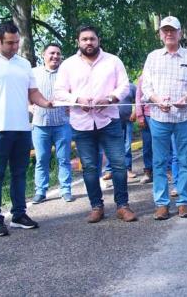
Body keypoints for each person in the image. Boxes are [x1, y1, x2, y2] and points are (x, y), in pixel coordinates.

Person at [0, 21, 52, 236]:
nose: (14, 47)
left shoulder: (23, 64)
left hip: (22, 128)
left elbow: (33, 93)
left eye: (17, 42)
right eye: (9, 43)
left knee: (19, 173)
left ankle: (18, 214)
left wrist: (47, 103)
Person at [54, 24, 137, 223]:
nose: (88, 42)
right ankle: (96, 207)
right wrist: (77, 100)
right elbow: (59, 92)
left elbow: (125, 85)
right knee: (90, 167)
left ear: (98, 40)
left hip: (109, 120)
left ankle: (122, 206)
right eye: (84, 39)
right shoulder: (68, 65)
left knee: (118, 164)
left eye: (92, 38)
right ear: (78, 42)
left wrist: (110, 99)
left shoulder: (113, 61)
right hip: (81, 123)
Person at [142, 16, 187, 220]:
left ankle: (183, 202)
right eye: (165, 30)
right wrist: (157, 100)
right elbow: (146, 86)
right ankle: (161, 204)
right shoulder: (152, 57)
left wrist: (186, 97)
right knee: (159, 162)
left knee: (185, 160)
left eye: (173, 30)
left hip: (185, 116)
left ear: (180, 33)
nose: (169, 33)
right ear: (160, 34)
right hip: (159, 116)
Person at [31, 43, 74, 204]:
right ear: (43, 55)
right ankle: (40, 191)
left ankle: (65, 189)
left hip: (62, 124)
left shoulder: (66, 74)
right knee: (42, 159)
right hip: (40, 124)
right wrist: (30, 107)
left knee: (64, 158)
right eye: (51, 53)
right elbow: (25, 94)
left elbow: (74, 93)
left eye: (58, 54)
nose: (55, 56)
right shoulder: (33, 73)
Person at [100, 82, 137, 181]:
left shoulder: (131, 86)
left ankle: (128, 169)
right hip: (112, 120)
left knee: (127, 144)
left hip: (128, 119)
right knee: (110, 145)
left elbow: (137, 101)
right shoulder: (108, 85)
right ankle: (109, 170)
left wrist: (134, 113)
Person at [135, 75, 153, 184]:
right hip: (148, 115)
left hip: (164, 114)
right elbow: (138, 98)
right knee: (147, 145)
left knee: (165, 145)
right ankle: (148, 172)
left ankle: (167, 170)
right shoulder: (143, 77)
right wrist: (140, 116)